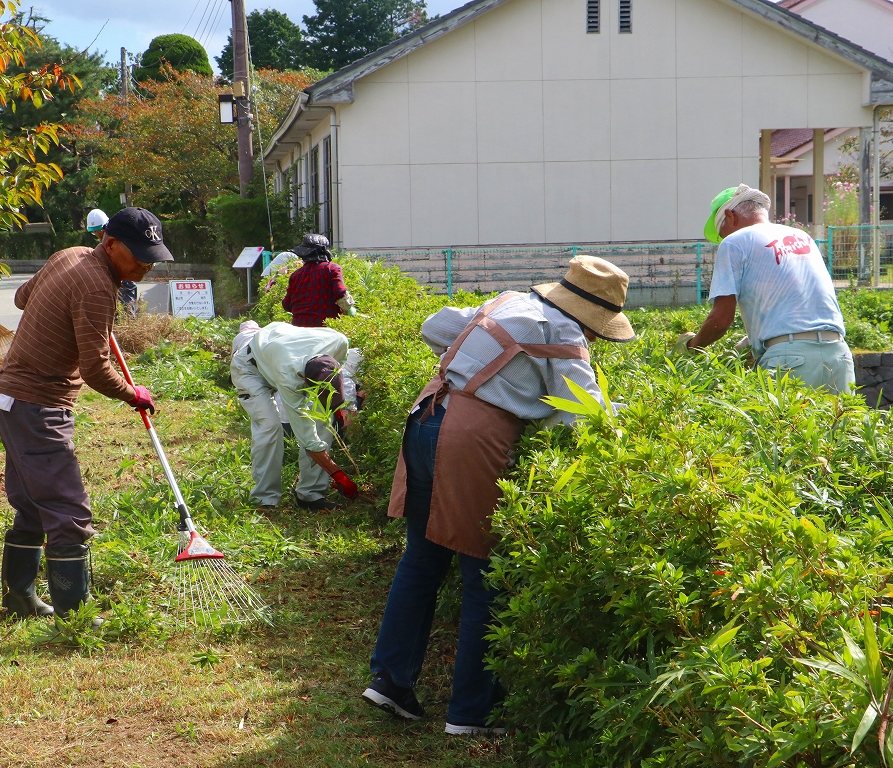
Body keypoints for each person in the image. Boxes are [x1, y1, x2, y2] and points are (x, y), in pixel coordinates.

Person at [361, 255, 635, 736]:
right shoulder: (565, 334)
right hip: (471, 439)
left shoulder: (507, 301)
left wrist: (496, 370)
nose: (594, 337)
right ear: (591, 316)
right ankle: (471, 712)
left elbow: (433, 326)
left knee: (421, 560)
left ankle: (389, 681)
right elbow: (583, 414)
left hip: (428, 414)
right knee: (484, 572)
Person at [0, 207, 172, 621]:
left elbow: (23, 298)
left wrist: (72, 310)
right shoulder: (96, 287)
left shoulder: (70, 255)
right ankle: (74, 615)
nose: (147, 264)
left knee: (34, 506)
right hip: (38, 405)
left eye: (153, 254)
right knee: (67, 509)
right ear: (110, 244)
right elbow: (94, 368)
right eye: (140, 255)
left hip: (12, 401)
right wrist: (134, 395)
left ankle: (20, 600)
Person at [677, 184, 855, 394]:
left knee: (781, 426)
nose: (723, 240)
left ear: (730, 216)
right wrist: (755, 341)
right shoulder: (802, 237)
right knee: (836, 426)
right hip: (839, 356)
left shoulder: (735, 242)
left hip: (790, 361)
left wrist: (691, 346)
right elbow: (795, 305)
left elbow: (721, 321)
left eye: (721, 233)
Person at [230, 320, 360, 510]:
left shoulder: (339, 342)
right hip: (251, 367)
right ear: (304, 382)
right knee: (270, 426)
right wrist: (338, 475)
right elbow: (308, 439)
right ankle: (265, 498)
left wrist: (337, 409)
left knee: (324, 422)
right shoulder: (289, 376)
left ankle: (311, 496)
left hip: (277, 349)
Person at [281, 234, 356, 327]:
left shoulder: (295, 275)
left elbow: (286, 305)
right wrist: (349, 309)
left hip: (299, 328)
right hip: (325, 328)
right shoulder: (332, 268)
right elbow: (340, 295)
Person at [88, 209, 138, 314]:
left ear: (105, 227)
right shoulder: (105, 240)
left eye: (98, 231)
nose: (96, 234)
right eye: (94, 232)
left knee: (126, 314)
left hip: (124, 280)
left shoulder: (117, 239)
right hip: (113, 280)